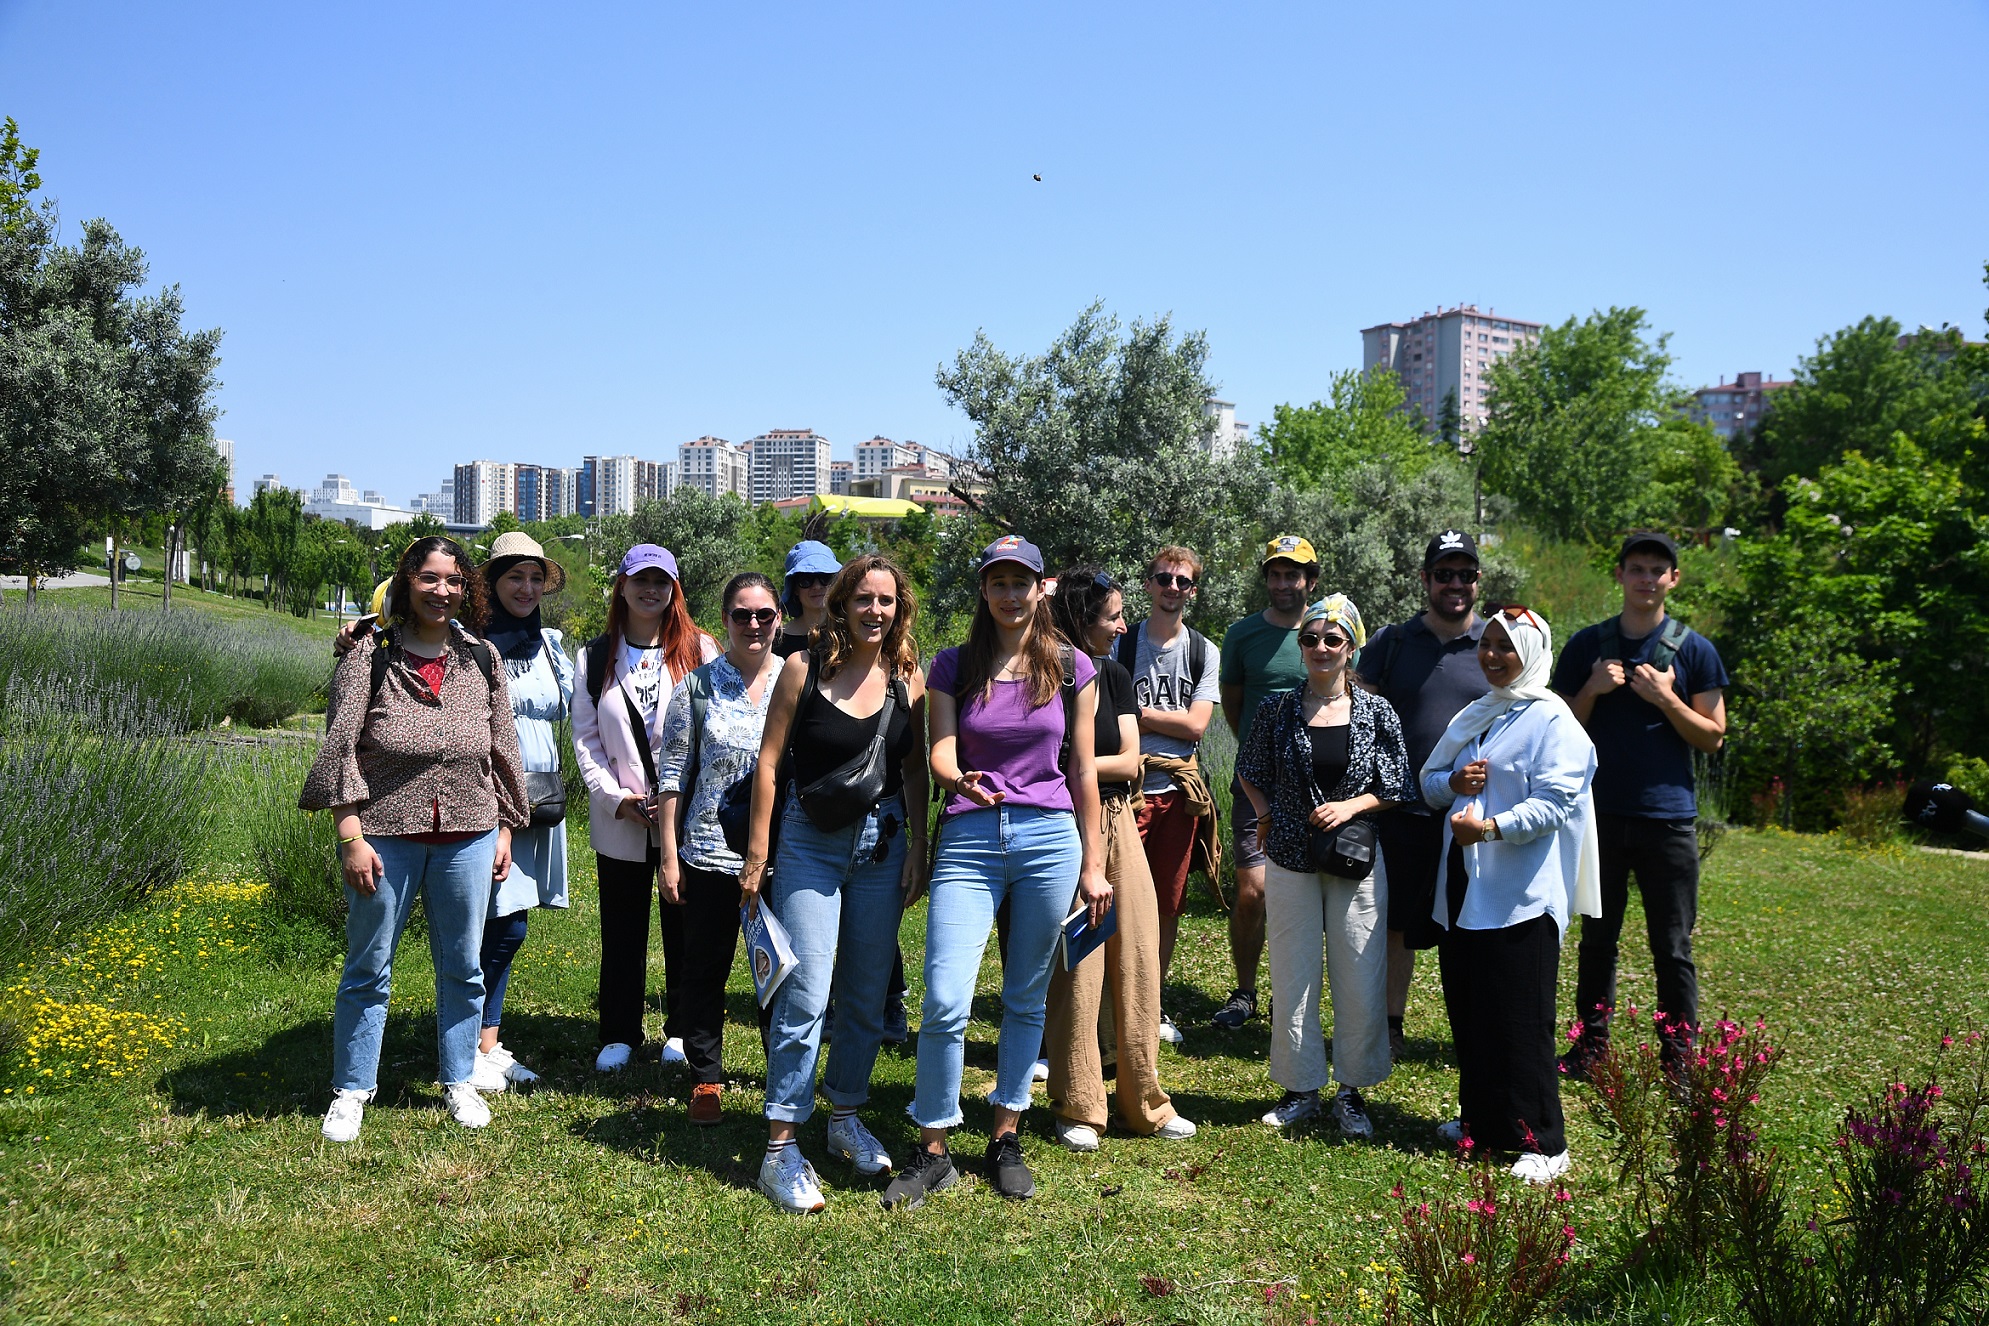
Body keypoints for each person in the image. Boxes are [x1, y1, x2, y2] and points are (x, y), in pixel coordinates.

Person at [882, 534, 1109, 1211]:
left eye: (1021, 582)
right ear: (983, 590)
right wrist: (962, 779)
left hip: (1049, 838)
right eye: (997, 582)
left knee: (1024, 997)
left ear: (1041, 588)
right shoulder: (952, 664)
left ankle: (1005, 1133)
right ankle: (932, 1148)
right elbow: (940, 752)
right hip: (970, 834)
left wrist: (1094, 866)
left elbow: (1083, 771)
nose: (1009, 594)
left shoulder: (1073, 668)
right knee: (946, 997)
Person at [301, 535, 530, 1142]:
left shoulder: (481, 657)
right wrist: (349, 832)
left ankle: (458, 1077)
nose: (443, 591)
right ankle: (352, 1088)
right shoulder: (369, 655)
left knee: (462, 965)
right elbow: (340, 744)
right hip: (384, 834)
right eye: (430, 578)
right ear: (407, 582)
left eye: (454, 580)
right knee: (368, 965)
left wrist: (505, 824)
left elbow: (501, 748)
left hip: (470, 833)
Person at [743, 554, 931, 1213]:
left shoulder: (909, 677)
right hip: (808, 841)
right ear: (841, 604)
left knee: (864, 994)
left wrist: (920, 846)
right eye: (864, 599)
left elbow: (913, 773)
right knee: (805, 991)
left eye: (886, 601)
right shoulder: (802, 668)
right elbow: (768, 764)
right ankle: (779, 1147)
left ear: (898, 608)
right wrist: (757, 852)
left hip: (882, 845)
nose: (874, 611)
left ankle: (845, 1114)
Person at [1422, 606, 1600, 1185]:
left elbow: (1555, 804)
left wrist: (1491, 829)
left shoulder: (1555, 722)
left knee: (1521, 1018)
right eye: (1488, 644)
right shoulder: (1478, 713)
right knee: (1471, 1011)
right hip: (1465, 885)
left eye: (1508, 647)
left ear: (1533, 654)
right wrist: (1454, 783)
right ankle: (1483, 1122)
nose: (1494, 656)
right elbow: (1426, 781)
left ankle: (1543, 1140)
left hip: (1520, 893)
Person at [1236, 595, 1413, 1136]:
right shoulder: (1278, 709)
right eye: (1309, 639)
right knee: (1293, 973)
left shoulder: (1377, 712)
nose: (1319, 648)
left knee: (1360, 972)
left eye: (1332, 640)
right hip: (1290, 856)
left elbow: (1397, 784)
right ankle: (1300, 1086)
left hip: (1354, 858)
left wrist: (1350, 806)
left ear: (1351, 647)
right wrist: (1264, 815)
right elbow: (1248, 767)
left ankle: (1353, 1091)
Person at [1551, 532, 1728, 1073]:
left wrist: (1665, 697)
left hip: (1668, 821)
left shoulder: (1694, 650)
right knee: (1597, 940)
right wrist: (1592, 691)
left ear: (1673, 578)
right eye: (1636, 569)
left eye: (1657, 570)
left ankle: (1678, 1056)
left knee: (1672, 947)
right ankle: (1590, 1048)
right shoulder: (1588, 646)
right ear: (1620, 575)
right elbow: (1557, 729)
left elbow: (1713, 736)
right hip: (1599, 816)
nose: (1646, 579)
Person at [1044, 566, 1197, 1151]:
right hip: (1062, 827)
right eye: (1112, 616)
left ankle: (1145, 1102)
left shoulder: (1114, 674)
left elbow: (1131, 760)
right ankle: (1080, 1104)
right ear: (1082, 621)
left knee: (1136, 954)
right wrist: (1073, 765)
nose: (1123, 625)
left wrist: (1073, 762)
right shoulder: (1045, 676)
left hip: (1115, 820)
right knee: (1077, 967)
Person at [572, 544, 720, 1073]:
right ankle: (619, 1030)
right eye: (640, 580)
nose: (650, 591)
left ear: (674, 588)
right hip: (622, 819)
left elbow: (717, 729)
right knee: (622, 924)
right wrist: (616, 798)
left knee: (685, 924)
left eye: (662, 581)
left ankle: (680, 1028)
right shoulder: (593, 656)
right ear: (622, 586)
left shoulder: (700, 650)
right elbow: (586, 740)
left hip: (687, 816)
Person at [1354, 530, 1491, 1062]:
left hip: (1471, 813)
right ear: (1425, 580)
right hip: (1402, 811)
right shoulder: (1393, 643)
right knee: (1393, 926)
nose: (1454, 584)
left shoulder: (1494, 644)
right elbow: (1360, 713)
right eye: (1443, 574)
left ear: (1478, 581)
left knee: (1470, 922)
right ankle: (1390, 1024)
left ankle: (1472, 1028)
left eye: (1465, 574)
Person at [655, 572, 784, 1126]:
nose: (753, 624)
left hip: (783, 854)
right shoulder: (697, 687)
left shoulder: (799, 682)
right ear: (725, 619)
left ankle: (784, 1075)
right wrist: (667, 854)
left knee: (780, 974)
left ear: (779, 618)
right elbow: (673, 775)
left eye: (763, 614)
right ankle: (706, 1077)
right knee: (703, 970)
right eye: (741, 614)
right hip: (708, 852)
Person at [467, 533, 574, 1092]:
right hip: (485, 791)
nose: (528, 588)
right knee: (495, 923)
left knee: (507, 923)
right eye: (515, 577)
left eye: (536, 578)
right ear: (492, 582)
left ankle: (482, 1039)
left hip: (538, 799)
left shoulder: (550, 645)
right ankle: (478, 1043)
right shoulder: (469, 639)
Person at [1213, 535, 1319, 1031]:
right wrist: (1256, 754)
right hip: (1254, 785)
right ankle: (1245, 991)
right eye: (1275, 574)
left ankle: (1290, 994)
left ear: (1310, 580)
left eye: (1292, 574)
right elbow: (1233, 703)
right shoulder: (1242, 635)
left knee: (1303, 894)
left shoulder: (1327, 634)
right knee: (1253, 891)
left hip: (1316, 788)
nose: (1283, 583)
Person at [1118, 546, 1222, 1048]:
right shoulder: (1121, 643)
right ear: (1148, 584)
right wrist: (1158, 720)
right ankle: (1109, 1003)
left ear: (1193, 591)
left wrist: (1135, 714)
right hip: (1126, 790)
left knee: (1166, 904)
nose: (1172, 588)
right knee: (1112, 897)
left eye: (1182, 582)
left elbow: (1197, 725)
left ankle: (1151, 1006)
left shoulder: (1205, 651)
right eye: (1164, 579)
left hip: (1180, 792)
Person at [775, 539, 841, 659]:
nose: (817, 586)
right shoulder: (775, 642)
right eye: (806, 580)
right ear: (795, 589)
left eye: (825, 578)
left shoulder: (850, 635)